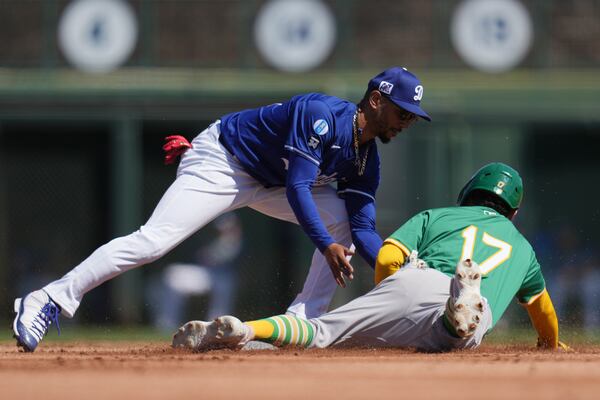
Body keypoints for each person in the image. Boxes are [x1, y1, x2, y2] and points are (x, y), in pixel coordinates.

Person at [12, 67, 430, 352]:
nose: (406, 122)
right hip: (224, 163)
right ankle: (47, 298)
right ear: (376, 100)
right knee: (153, 241)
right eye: (402, 112)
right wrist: (324, 245)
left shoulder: (367, 161)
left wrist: (399, 266)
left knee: (341, 216)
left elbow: (362, 227)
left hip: (270, 183)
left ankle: (299, 323)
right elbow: (301, 187)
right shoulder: (322, 116)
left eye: (412, 117)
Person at [172, 163, 569, 352]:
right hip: (465, 310)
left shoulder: (438, 215)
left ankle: (245, 331)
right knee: (453, 336)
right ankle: (458, 312)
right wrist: (550, 344)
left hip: (412, 281)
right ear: (513, 212)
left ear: (466, 195)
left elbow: (388, 257)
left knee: (321, 333)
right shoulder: (524, 249)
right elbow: (543, 312)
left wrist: (393, 294)